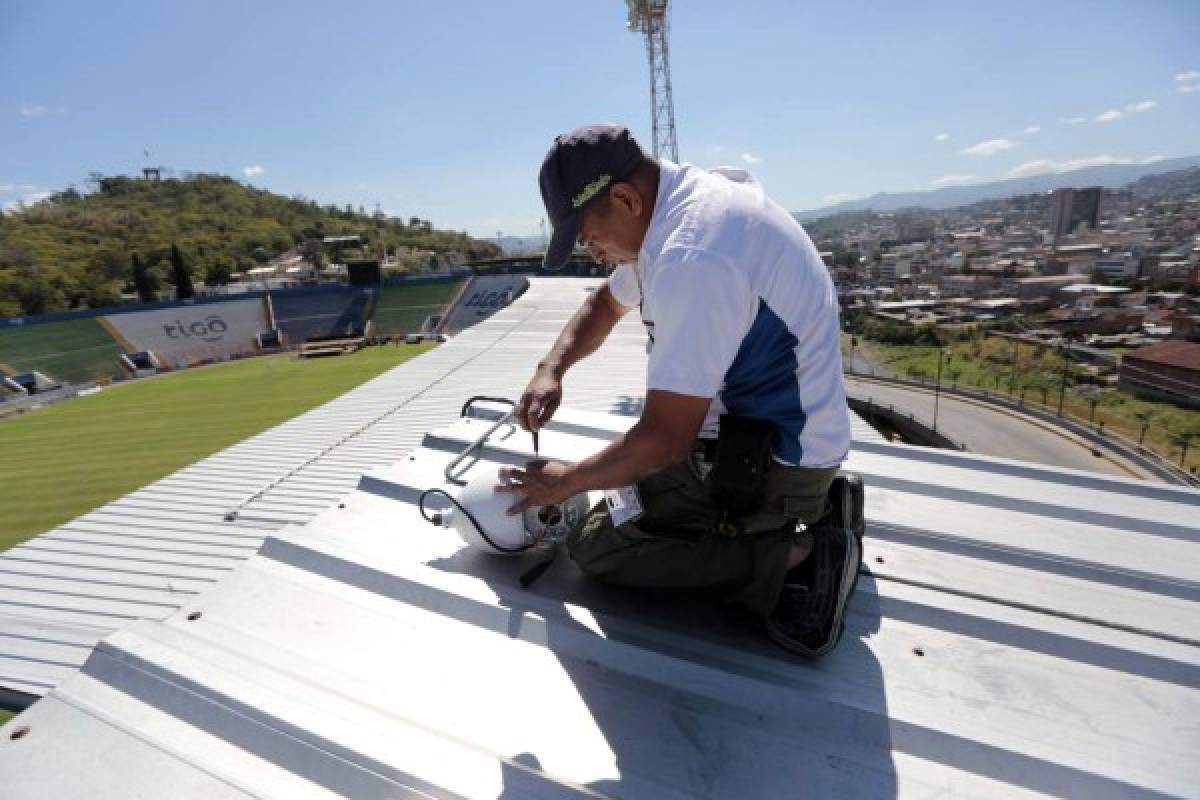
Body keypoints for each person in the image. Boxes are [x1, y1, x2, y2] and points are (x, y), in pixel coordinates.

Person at [497, 123, 858, 655]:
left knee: (597, 547)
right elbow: (604, 304)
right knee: (619, 496)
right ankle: (814, 505)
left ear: (624, 198)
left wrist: (564, 483)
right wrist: (551, 367)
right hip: (775, 438)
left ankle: (798, 559)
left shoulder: (694, 257)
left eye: (587, 234)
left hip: (772, 458)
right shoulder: (681, 209)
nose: (590, 250)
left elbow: (664, 440)